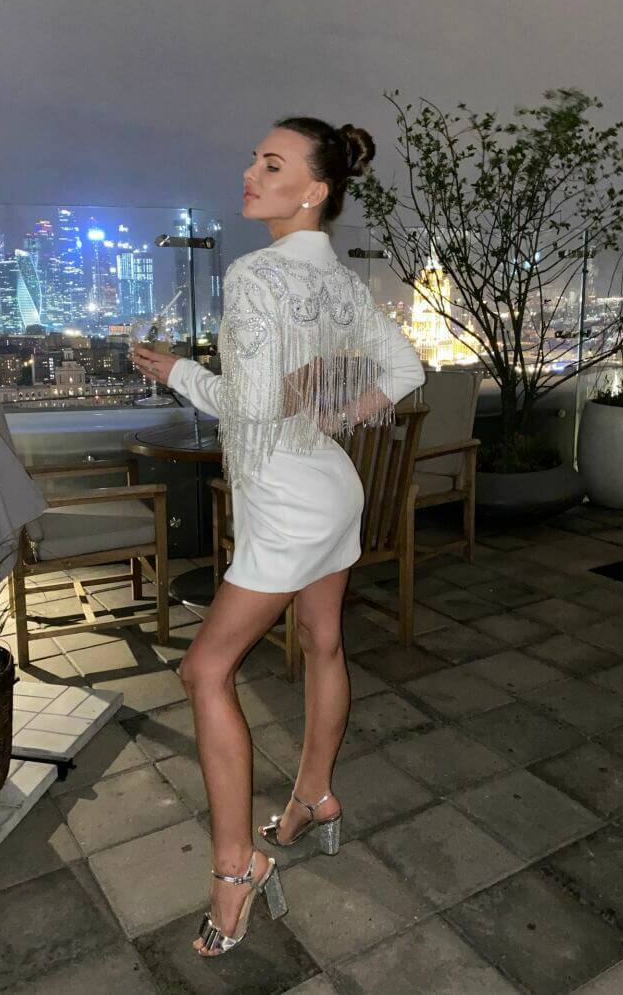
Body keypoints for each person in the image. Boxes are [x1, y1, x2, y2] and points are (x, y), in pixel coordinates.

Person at [131, 117, 425, 957]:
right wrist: (336, 412)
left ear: (314, 190)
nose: (250, 173)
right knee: (324, 641)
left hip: (288, 499)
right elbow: (406, 371)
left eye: (271, 164)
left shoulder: (256, 272)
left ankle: (237, 868)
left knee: (204, 669)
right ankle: (312, 798)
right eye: (254, 160)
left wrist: (179, 372)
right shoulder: (340, 280)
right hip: (329, 484)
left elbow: (252, 406)